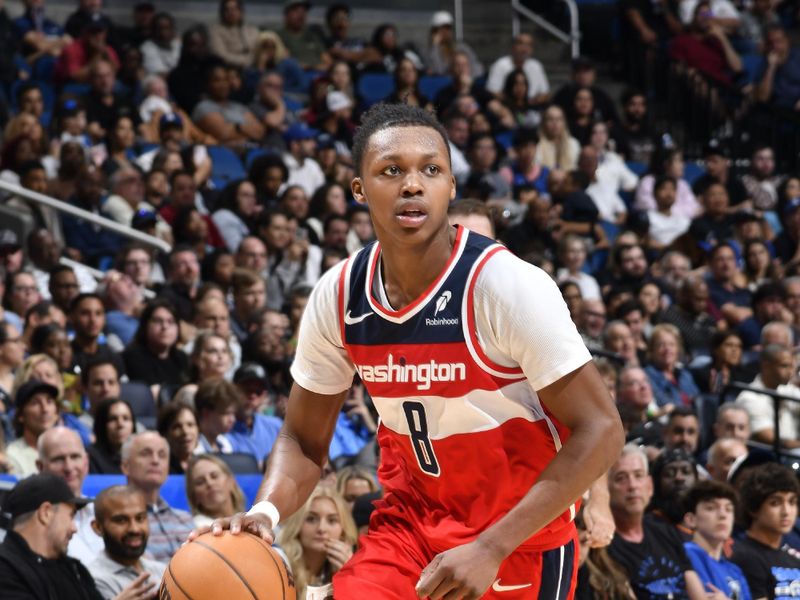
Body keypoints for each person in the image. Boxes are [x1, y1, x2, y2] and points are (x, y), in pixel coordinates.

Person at [193, 102, 624, 598]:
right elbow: (303, 439)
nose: (412, 184)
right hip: (409, 529)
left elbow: (603, 428)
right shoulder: (339, 294)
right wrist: (264, 512)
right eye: (391, 170)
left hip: (517, 537)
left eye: (431, 170)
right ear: (359, 189)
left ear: (451, 187)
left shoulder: (505, 285)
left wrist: (492, 546)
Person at [607, 445, 706, 598]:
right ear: (606, 490)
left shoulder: (665, 531)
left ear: (650, 486)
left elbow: (697, 593)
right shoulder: (605, 547)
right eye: (621, 478)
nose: (632, 486)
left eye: (638, 475)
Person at [0, 473, 102, 600]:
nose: (74, 528)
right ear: (45, 513)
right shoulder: (5, 569)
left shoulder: (74, 569)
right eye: (71, 516)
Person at [121, 431, 194, 562]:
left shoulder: (185, 518)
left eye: (162, 455)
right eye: (146, 453)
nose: (155, 460)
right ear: (126, 466)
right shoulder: (118, 521)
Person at [730, 463, 800, 599]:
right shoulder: (744, 556)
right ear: (753, 508)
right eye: (775, 503)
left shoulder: (793, 559)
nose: (786, 512)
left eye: (792, 502)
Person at [36, 426, 104, 565]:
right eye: (58, 459)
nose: (68, 467)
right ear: (40, 467)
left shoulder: (104, 510)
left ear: (86, 463)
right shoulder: (36, 521)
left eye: (75, 457)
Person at [275, 484, 357, 598]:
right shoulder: (278, 562)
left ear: (343, 530)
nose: (321, 528)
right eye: (311, 519)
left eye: (332, 520)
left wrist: (348, 577)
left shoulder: (350, 568)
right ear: (297, 525)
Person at [87, 484, 165, 600]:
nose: (134, 529)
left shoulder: (164, 570)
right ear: (98, 527)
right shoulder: (92, 580)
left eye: (140, 518)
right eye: (121, 520)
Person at [682, 480, 752, 600]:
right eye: (711, 508)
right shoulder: (684, 554)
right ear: (691, 519)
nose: (723, 515)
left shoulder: (735, 571)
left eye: (729, 509)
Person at [735, 344, 800, 450]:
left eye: (791, 366)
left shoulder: (787, 389)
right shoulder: (749, 397)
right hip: (769, 457)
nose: (790, 371)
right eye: (784, 366)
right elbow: (771, 439)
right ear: (766, 366)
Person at [6, 379, 60, 476]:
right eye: (35, 403)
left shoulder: (69, 451)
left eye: (49, 401)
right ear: (20, 415)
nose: (45, 409)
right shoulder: (12, 456)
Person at [185, 454, 246, 528]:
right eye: (200, 482)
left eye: (214, 476)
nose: (209, 483)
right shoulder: (196, 527)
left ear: (231, 481)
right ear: (194, 497)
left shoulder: (252, 520)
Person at [88, 398, 136, 474]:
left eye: (126, 418)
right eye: (113, 419)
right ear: (101, 425)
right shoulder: (90, 458)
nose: (120, 424)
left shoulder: (140, 456)